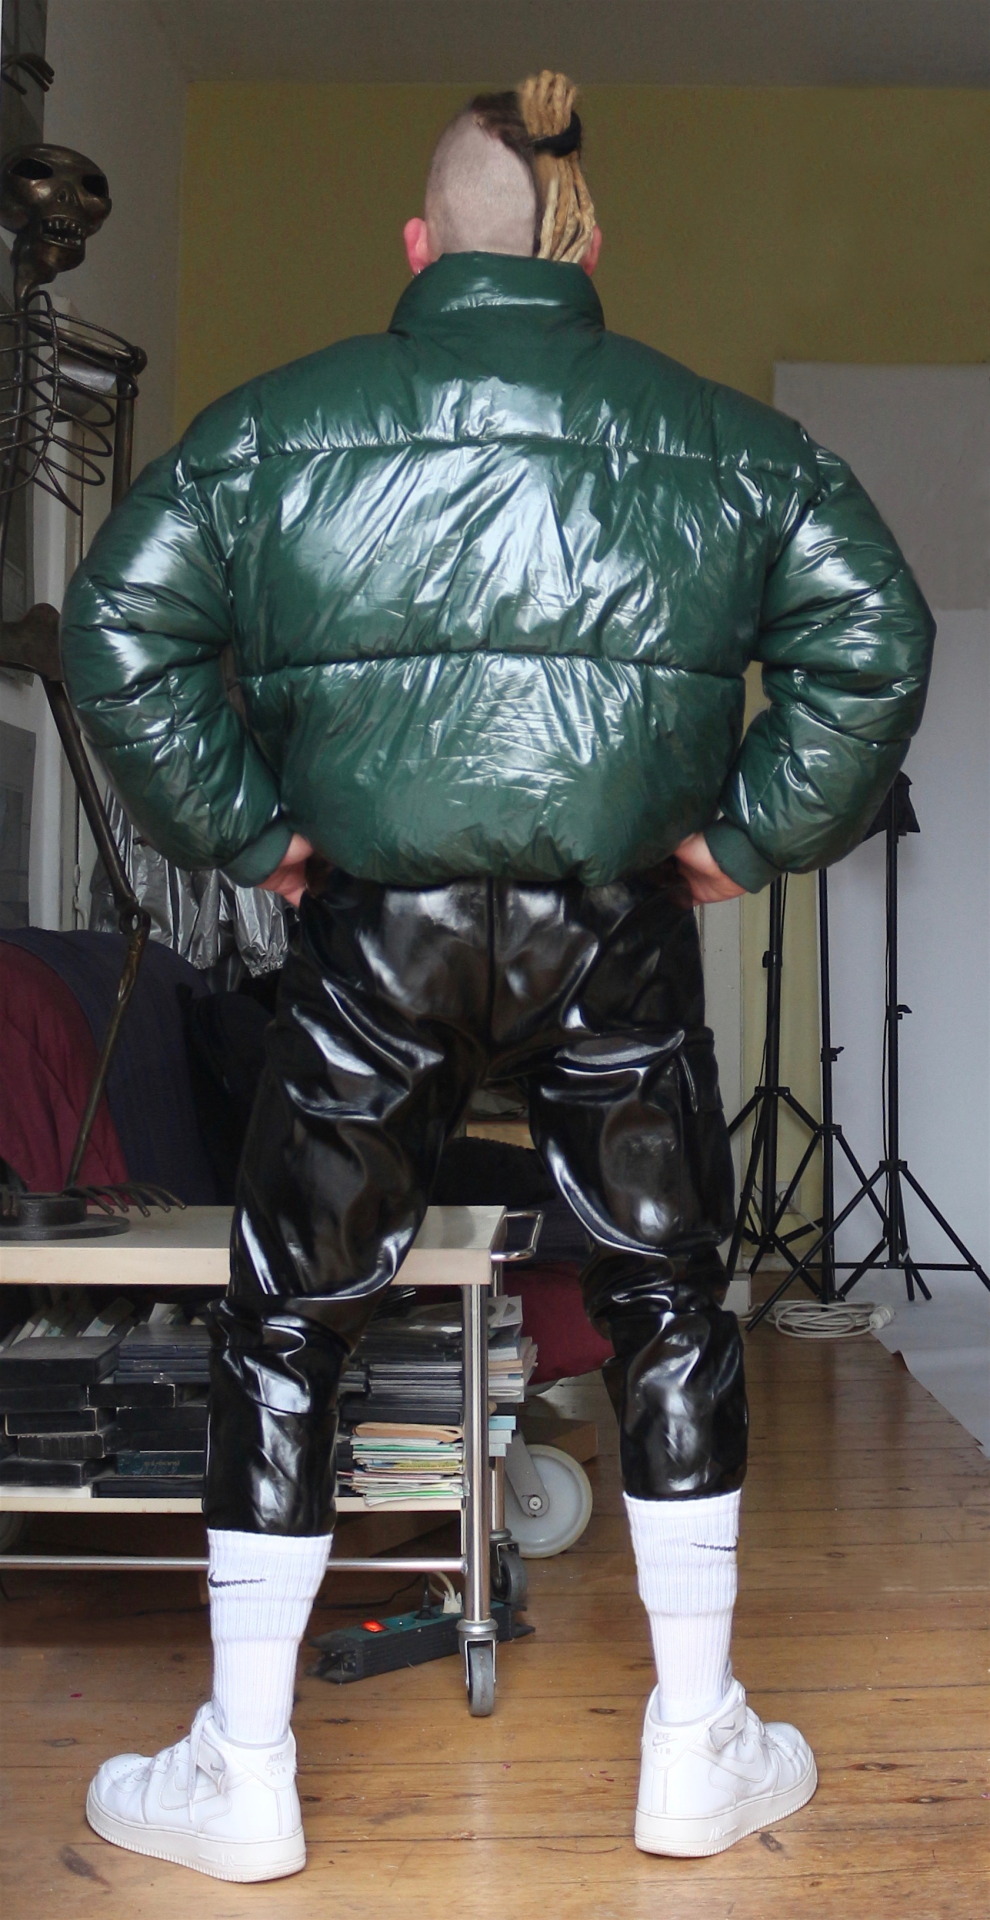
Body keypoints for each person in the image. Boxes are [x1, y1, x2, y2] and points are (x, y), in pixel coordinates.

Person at [60, 71, 934, 1884]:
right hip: (613, 922)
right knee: (668, 1303)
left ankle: (244, 1772)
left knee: (288, 1320)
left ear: (419, 246)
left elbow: (116, 621)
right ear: (581, 249)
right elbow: (873, 632)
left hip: (370, 927)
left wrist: (250, 832)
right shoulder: (720, 442)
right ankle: (693, 1747)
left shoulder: (275, 431)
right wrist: (742, 838)